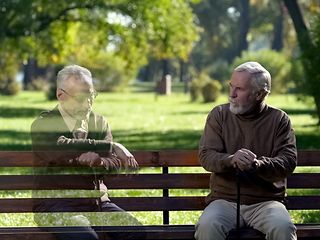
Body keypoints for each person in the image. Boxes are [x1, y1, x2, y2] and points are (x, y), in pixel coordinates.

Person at [31, 64, 142, 240]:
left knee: (135, 233)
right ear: (61, 95)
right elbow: (59, 147)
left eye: (91, 95)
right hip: (54, 206)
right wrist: (111, 146)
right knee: (85, 238)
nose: (89, 102)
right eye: (82, 97)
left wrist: (100, 162)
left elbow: (114, 165)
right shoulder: (43, 124)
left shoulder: (99, 122)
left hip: (96, 204)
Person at [195, 61, 297, 240]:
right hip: (224, 201)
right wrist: (231, 160)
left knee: (283, 227)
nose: (231, 95)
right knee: (207, 226)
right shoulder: (219, 115)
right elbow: (206, 156)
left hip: (266, 203)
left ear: (260, 94)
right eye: (231, 87)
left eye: (239, 89)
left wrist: (256, 164)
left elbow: (287, 162)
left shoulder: (279, 120)